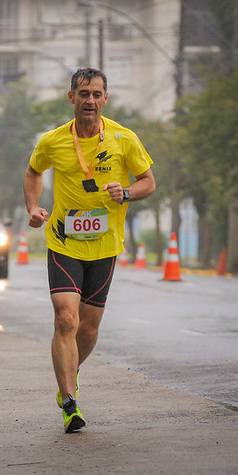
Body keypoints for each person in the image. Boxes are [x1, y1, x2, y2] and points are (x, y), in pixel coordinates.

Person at [23, 67, 155, 433]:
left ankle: (70, 371)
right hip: (64, 241)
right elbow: (33, 172)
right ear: (72, 98)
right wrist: (33, 207)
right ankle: (69, 401)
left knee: (89, 330)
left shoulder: (124, 139)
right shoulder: (53, 141)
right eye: (83, 94)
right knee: (66, 318)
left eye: (97, 94)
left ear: (105, 99)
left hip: (105, 245)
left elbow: (148, 181)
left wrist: (126, 192)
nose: (90, 101)